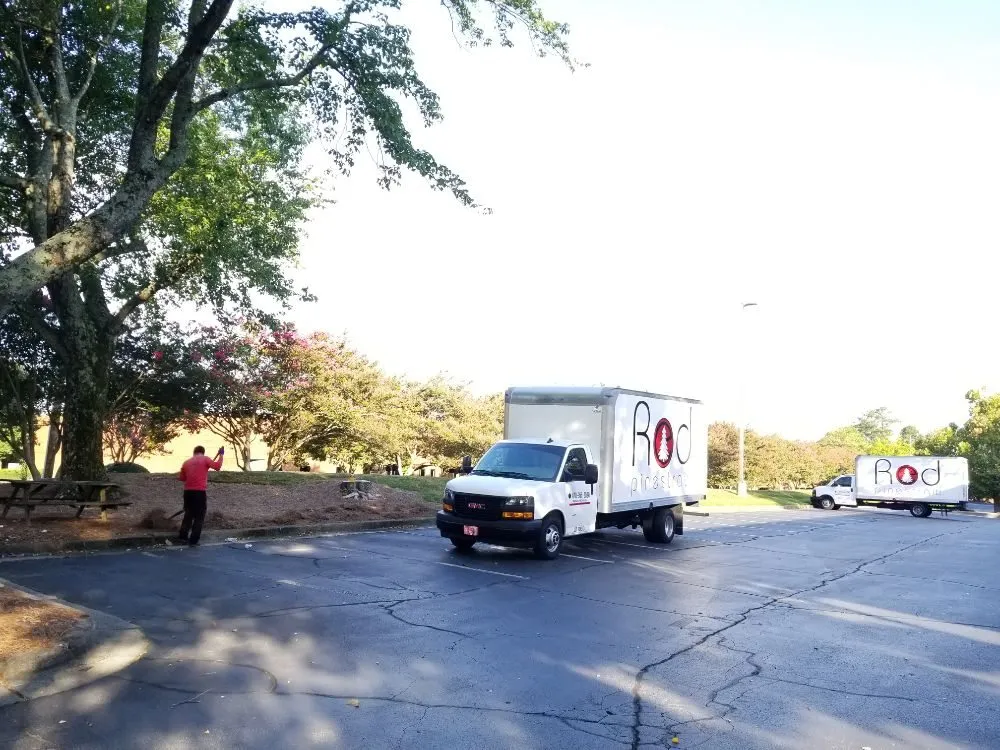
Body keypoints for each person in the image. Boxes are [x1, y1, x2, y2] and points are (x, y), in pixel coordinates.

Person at [177, 446, 224, 546]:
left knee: (188, 515)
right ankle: (193, 540)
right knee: (199, 516)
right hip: (199, 492)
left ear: (194, 452)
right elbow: (217, 467)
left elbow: (181, 478)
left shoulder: (186, 462)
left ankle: (182, 537)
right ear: (202, 452)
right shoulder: (205, 459)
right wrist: (221, 455)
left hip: (188, 492)